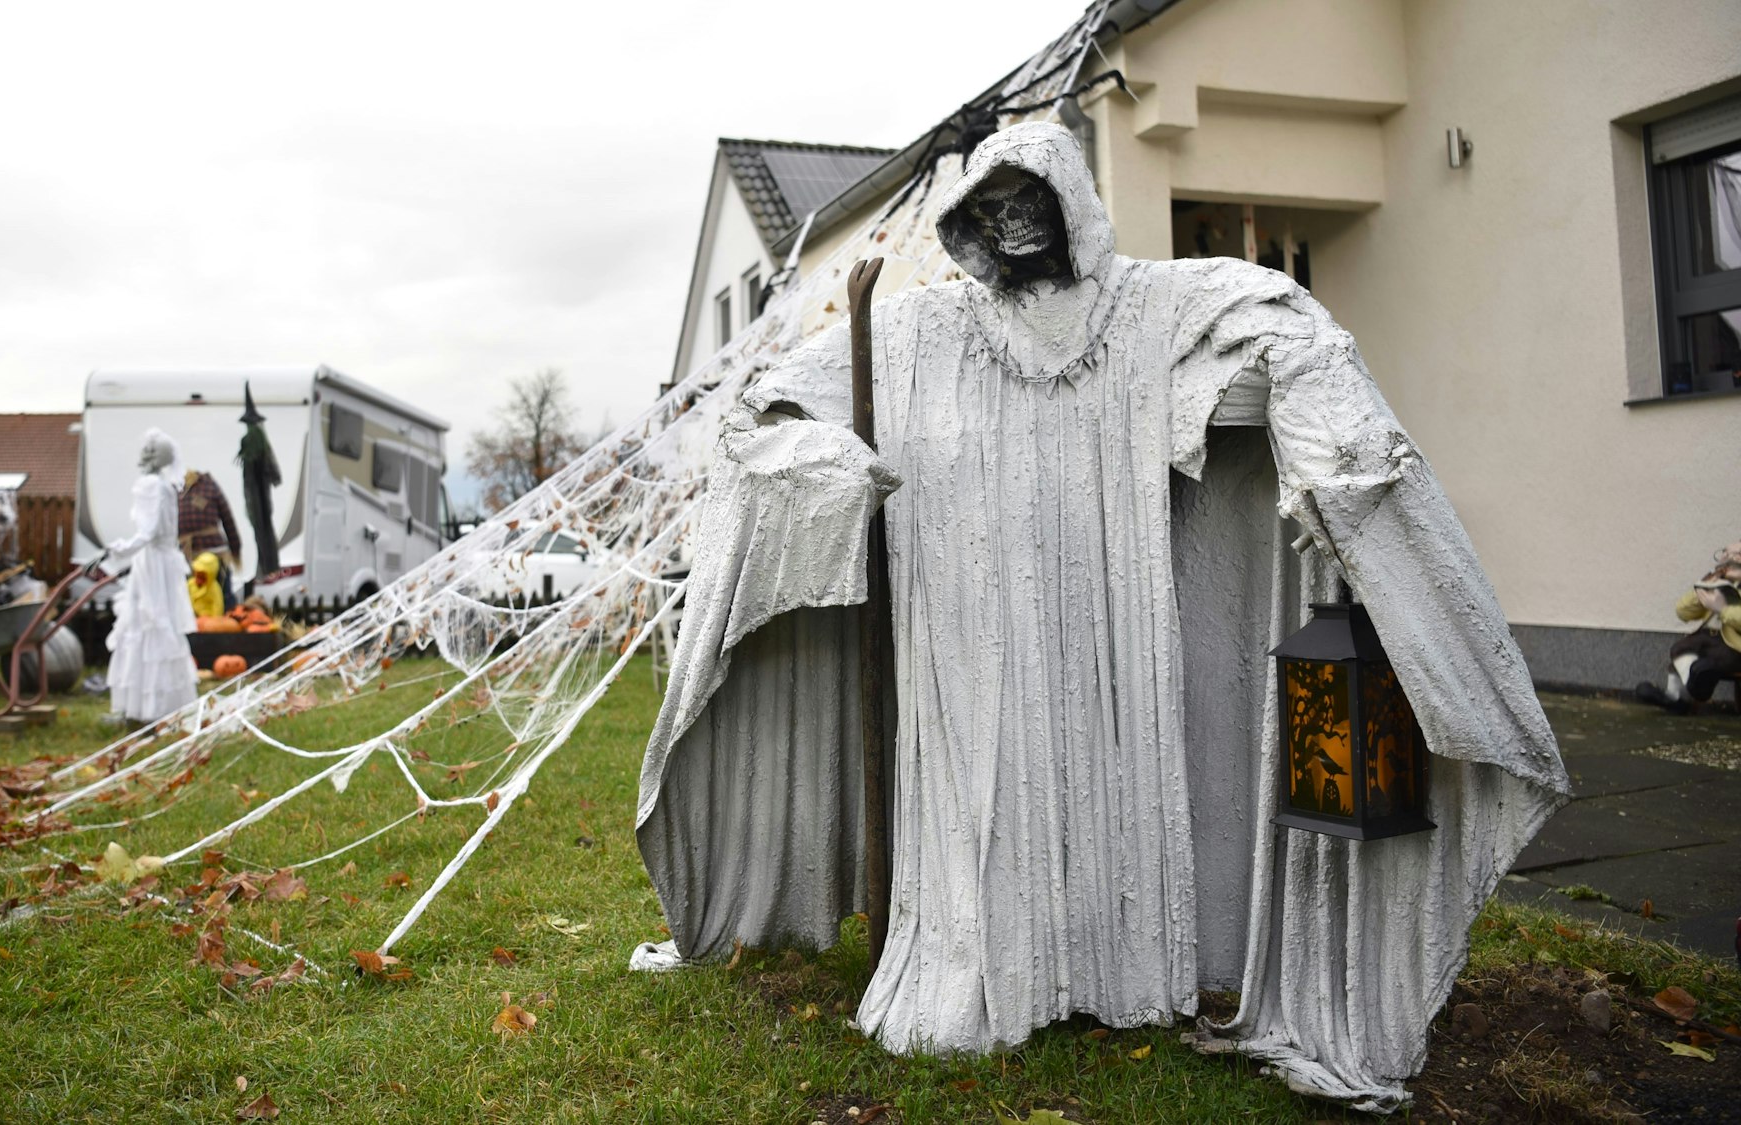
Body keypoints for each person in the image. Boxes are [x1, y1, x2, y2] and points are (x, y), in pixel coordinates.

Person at [632, 122, 1567, 1110]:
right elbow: (762, 410)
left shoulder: (1147, 309)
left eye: (1028, 198)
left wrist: (1326, 435)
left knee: (1112, 773)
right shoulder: (919, 331)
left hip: (1114, 617)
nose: (1011, 221)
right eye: (991, 207)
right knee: (987, 796)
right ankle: (984, 967)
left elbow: (1280, 316)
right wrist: (823, 462)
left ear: (1071, 201)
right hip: (967, 630)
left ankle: (1119, 967)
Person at [104, 429, 197, 723]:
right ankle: (162, 705)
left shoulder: (151, 485)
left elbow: (147, 532)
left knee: (148, 624)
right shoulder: (165, 485)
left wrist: (118, 550)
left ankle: (148, 708)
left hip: (153, 563)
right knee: (158, 626)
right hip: (164, 562)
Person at [1636, 541, 1741, 712]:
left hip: (1734, 647)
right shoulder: (1718, 580)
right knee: (1682, 648)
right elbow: (1682, 611)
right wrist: (1702, 590)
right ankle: (1678, 696)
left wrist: (1722, 609)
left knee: (1707, 663)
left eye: (1737, 554)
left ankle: (1692, 691)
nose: (1729, 558)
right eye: (1726, 552)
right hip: (1708, 638)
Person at [178, 469, 242, 609]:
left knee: (209, 597)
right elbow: (228, 519)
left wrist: (235, 549)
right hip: (201, 556)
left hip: (203, 556)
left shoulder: (201, 488)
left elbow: (227, 519)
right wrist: (236, 550)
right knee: (213, 598)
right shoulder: (182, 491)